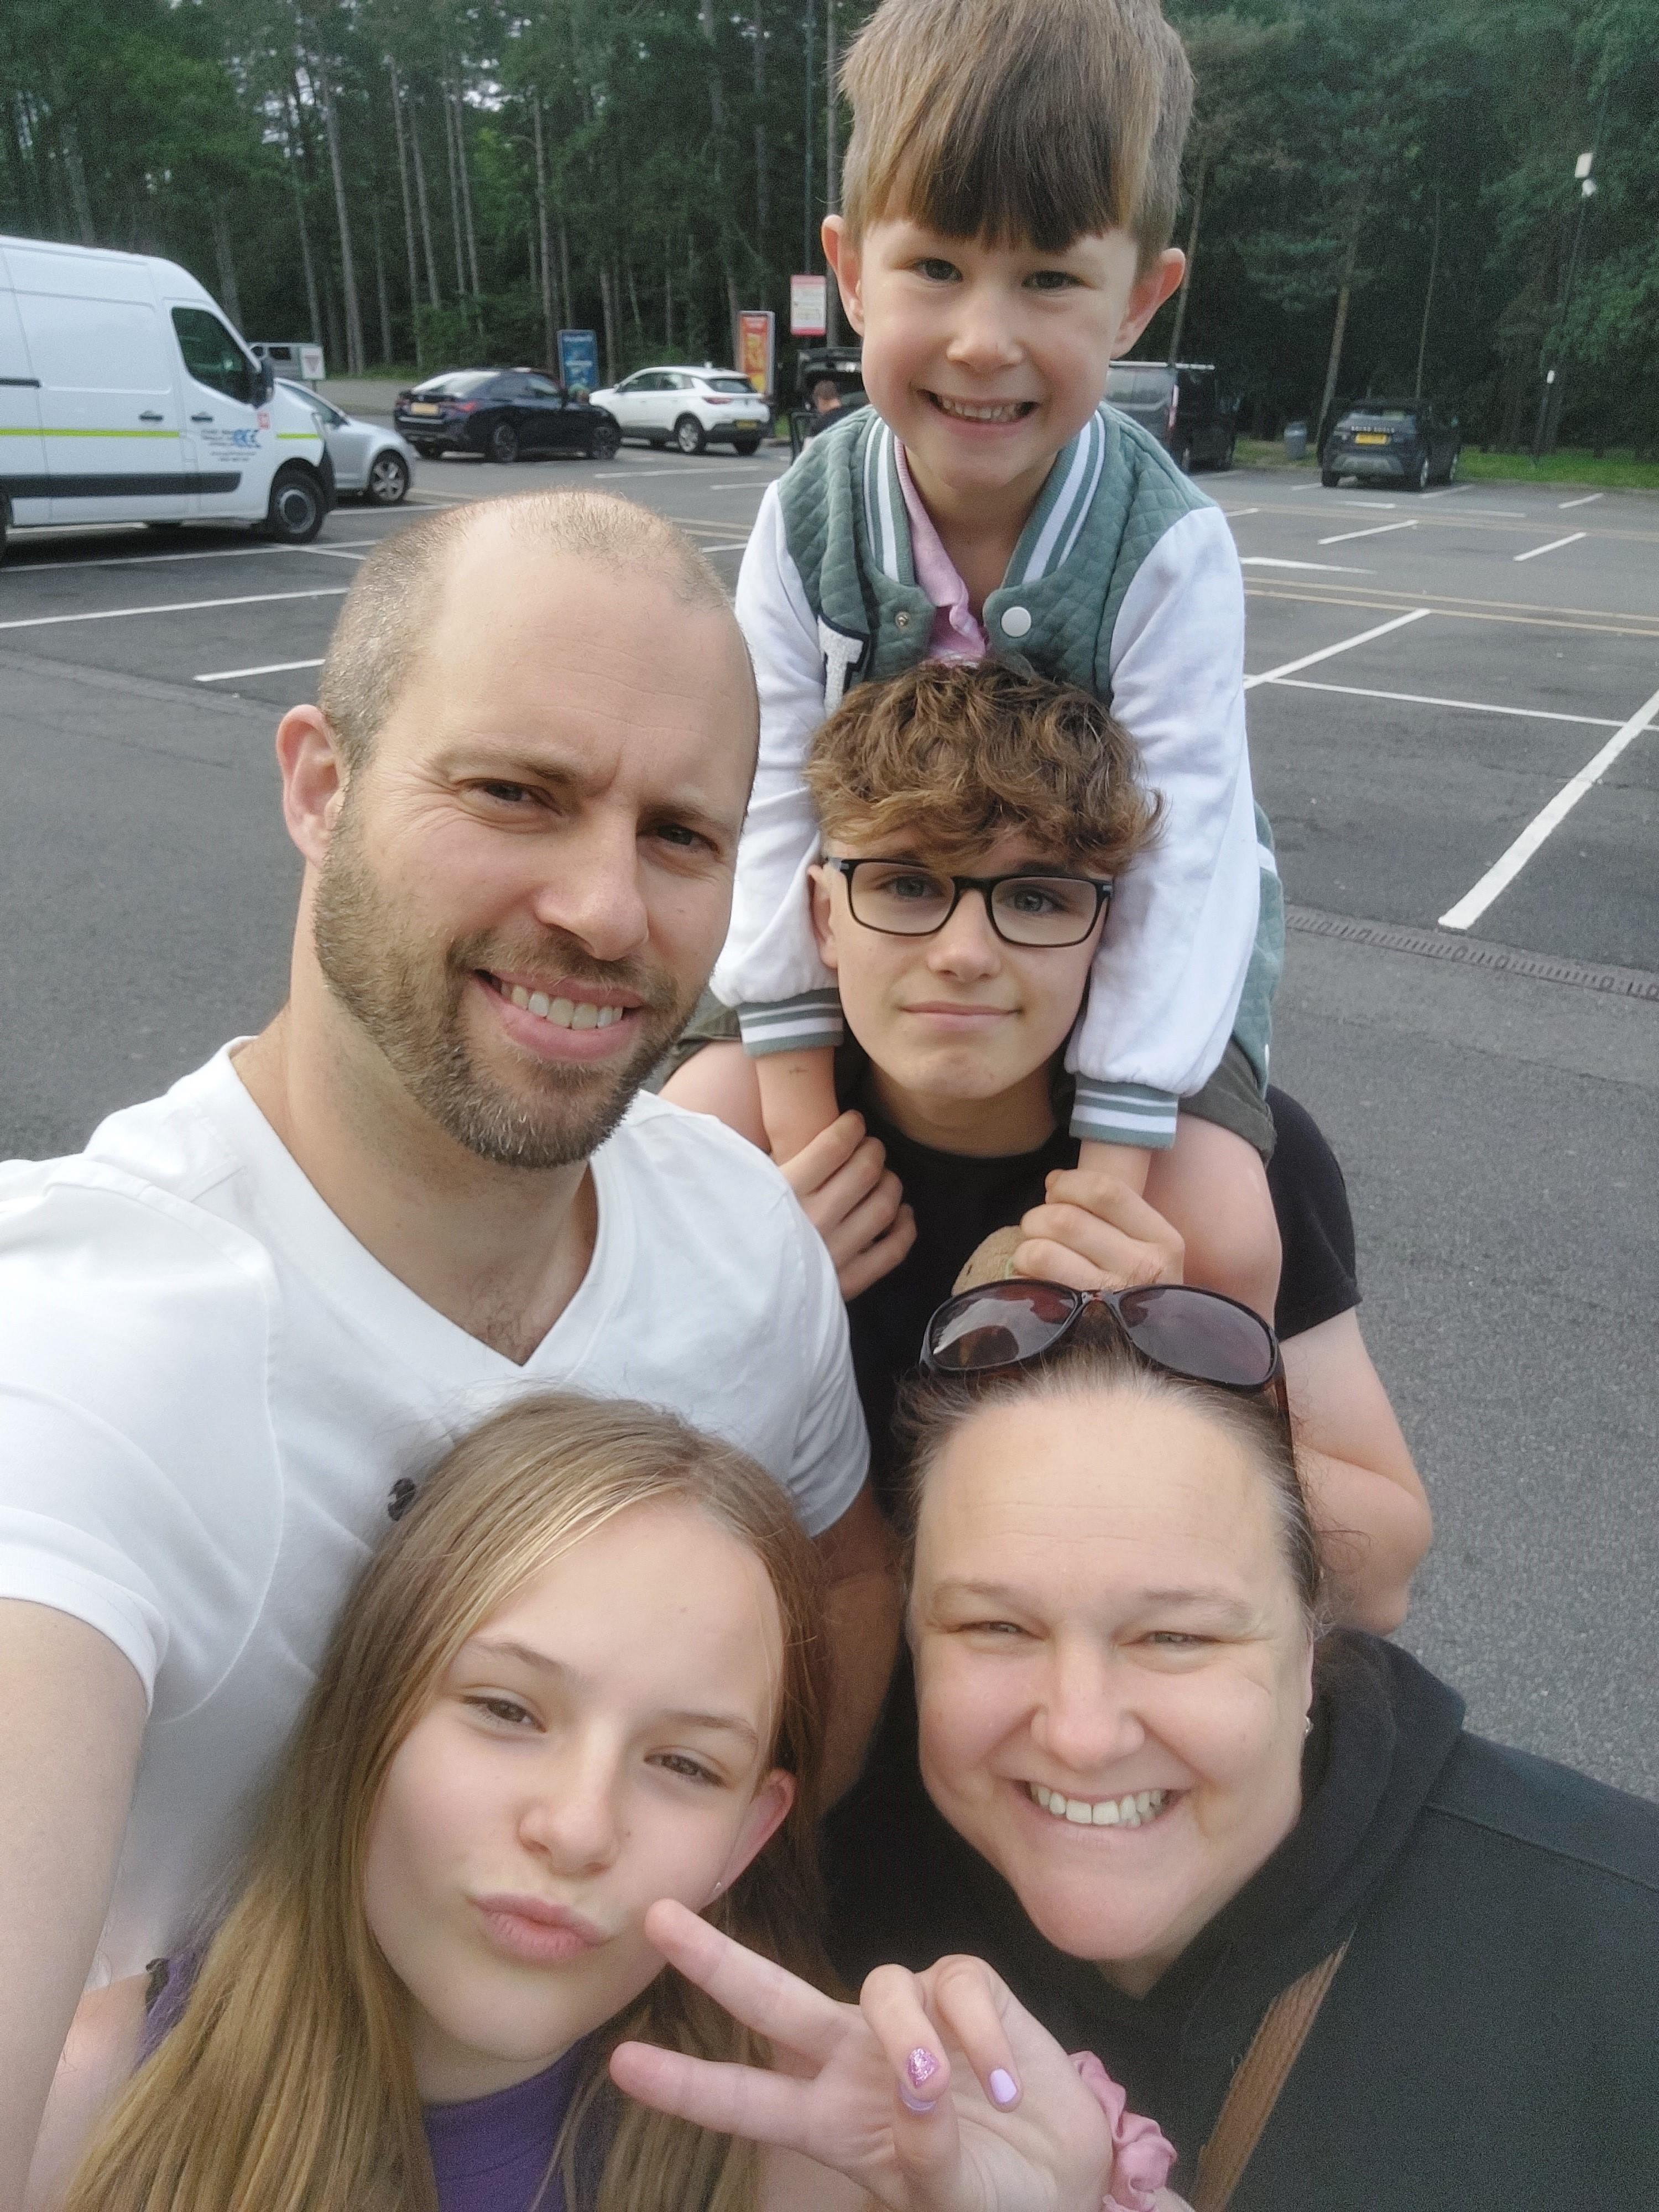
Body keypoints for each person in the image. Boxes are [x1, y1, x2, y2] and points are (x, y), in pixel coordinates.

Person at [0, 490, 898, 2210]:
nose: (604, 909)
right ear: (319, 785)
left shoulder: (742, 1242)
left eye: (681, 835)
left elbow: (842, 1588)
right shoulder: (82, 1325)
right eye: (517, 793)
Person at [33, 1394, 1181, 2212]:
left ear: (749, 1836)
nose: (578, 1828)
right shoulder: (63, 2105)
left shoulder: (837, 2162)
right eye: (507, 1709)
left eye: (684, 1765)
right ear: (365, 1715)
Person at [704, 0, 1283, 1322]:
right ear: (852, 273)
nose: (982, 338)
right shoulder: (804, 520)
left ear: (1140, 299)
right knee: (695, 1145)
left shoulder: (1169, 549)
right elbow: (769, 807)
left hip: (1117, 959)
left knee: (1224, 1230)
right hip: (877, 926)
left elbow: (1184, 864)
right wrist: (804, 1135)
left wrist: (1109, 1183)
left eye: (1050, 280)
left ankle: (1162, 1431)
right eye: (936, 267)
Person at [822, 1312, 1659, 2208]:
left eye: (1175, 1636)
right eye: (995, 1626)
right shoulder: (826, 1936)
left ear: (1309, 1648)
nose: (1080, 1734)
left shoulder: (1621, 1961)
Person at [666, 660, 1430, 1631]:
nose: (964, 953)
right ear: (823, 917)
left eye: (1034, 899)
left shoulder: (1222, 1167)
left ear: (1108, 935)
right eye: (907, 885)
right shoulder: (725, 1142)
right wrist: (732, 1319)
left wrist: (1176, 1373)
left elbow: (1384, 1574)